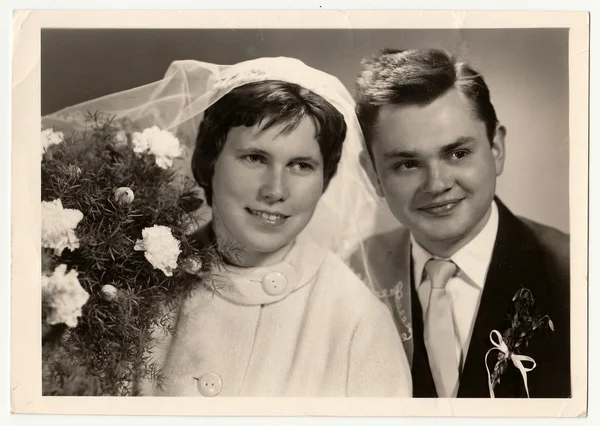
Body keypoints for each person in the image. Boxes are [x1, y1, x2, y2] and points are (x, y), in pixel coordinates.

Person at [43, 56, 411, 397]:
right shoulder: (129, 288)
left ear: (325, 179)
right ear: (210, 161)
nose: (275, 190)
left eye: (301, 165)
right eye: (254, 157)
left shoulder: (359, 324)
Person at [351, 48, 570, 398]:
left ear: (496, 148)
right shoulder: (352, 276)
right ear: (373, 174)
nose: (436, 184)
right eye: (407, 164)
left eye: (457, 153)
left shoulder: (577, 273)